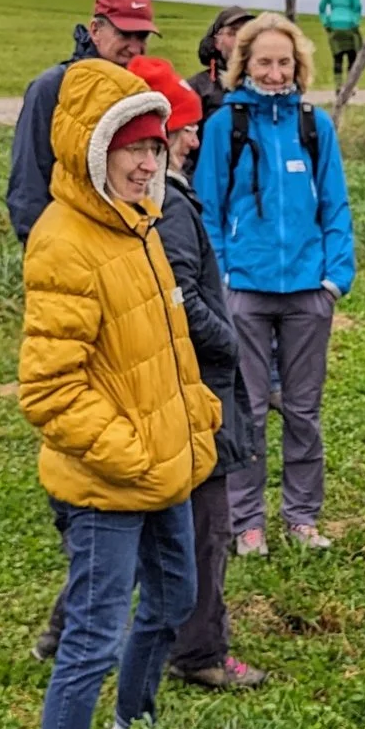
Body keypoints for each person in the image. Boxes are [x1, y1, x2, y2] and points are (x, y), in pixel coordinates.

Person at [19, 59, 220, 729]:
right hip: (109, 483)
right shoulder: (64, 242)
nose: (146, 163)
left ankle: (132, 723)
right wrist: (132, 454)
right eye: (129, 148)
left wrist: (195, 415)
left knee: (173, 599)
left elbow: (168, 345)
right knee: (91, 641)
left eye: (154, 147)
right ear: (89, 150)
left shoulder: (140, 225)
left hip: (163, 464)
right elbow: (48, 388)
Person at [191, 13, 353, 555]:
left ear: (298, 65)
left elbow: (336, 205)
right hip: (246, 292)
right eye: (264, 61)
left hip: (309, 291)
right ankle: (247, 522)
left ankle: (302, 517)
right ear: (244, 64)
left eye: (285, 62)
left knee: (304, 411)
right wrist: (223, 281)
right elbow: (208, 211)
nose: (275, 72)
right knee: (250, 412)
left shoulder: (315, 125)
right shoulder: (226, 126)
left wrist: (335, 278)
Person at [130, 55, 266, 689]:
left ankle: (69, 624)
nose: (193, 138)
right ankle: (201, 651)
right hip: (196, 390)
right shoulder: (173, 206)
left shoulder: (139, 199)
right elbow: (180, 297)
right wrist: (229, 342)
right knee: (207, 526)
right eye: (185, 128)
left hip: (165, 385)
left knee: (144, 523)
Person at [7, 0, 157, 241]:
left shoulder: (140, 92)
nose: (134, 47)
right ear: (95, 30)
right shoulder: (54, 87)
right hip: (66, 238)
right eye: (124, 34)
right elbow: (29, 175)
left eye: (142, 37)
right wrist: (37, 240)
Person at [189, 6, 253, 122]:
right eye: (233, 33)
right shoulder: (197, 88)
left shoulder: (269, 83)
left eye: (248, 33)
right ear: (217, 42)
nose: (241, 39)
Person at [319, 0, 363, 84]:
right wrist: (356, 22)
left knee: (337, 58)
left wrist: (326, 22)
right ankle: (350, 86)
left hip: (334, 26)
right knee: (352, 58)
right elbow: (357, 8)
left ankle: (338, 86)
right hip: (349, 25)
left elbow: (322, 8)